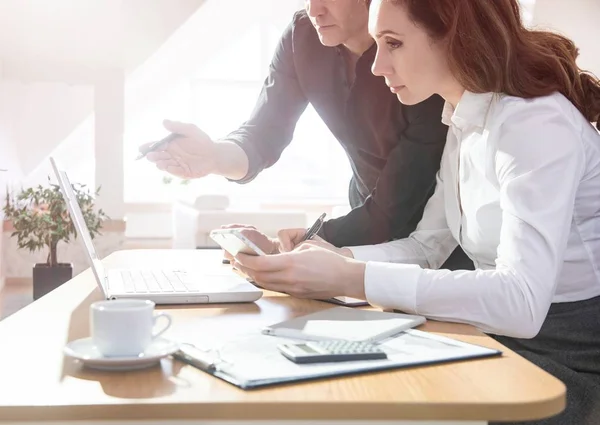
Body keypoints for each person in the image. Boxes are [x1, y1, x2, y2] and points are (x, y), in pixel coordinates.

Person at [231, 0, 600, 423]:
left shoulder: (533, 125)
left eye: (393, 43)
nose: (376, 65)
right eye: (377, 43)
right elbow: (428, 246)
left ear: (456, 38)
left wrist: (352, 277)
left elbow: (521, 302)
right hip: (499, 331)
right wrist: (329, 262)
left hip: (572, 348)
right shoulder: (464, 119)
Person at [141, 0, 472, 269]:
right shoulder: (303, 37)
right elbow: (263, 134)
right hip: (360, 227)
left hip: (441, 234)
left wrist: (296, 244)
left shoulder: (417, 62)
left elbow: (399, 205)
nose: (315, 10)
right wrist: (214, 156)